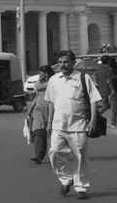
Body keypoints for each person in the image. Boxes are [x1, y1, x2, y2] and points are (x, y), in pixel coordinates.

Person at [45, 50, 101, 200]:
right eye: (60, 62)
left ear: (73, 63)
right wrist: (49, 121)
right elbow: (50, 101)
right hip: (58, 125)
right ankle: (66, 178)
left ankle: (81, 187)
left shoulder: (83, 78)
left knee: (80, 157)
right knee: (55, 152)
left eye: (66, 62)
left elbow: (94, 100)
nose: (63, 65)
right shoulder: (53, 80)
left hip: (79, 125)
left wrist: (92, 121)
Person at [26, 65, 54, 164]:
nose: (39, 75)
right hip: (38, 110)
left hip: (50, 108)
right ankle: (38, 155)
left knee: (52, 133)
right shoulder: (39, 82)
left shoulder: (52, 83)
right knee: (38, 132)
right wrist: (30, 108)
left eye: (41, 73)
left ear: (46, 74)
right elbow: (37, 95)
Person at [98, 55, 117, 127]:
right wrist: (112, 90)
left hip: (102, 90)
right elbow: (109, 80)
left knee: (105, 106)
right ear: (108, 61)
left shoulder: (98, 69)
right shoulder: (108, 69)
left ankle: (95, 116)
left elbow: (95, 78)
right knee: (114, 108)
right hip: (109, 91)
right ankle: (113, 123)